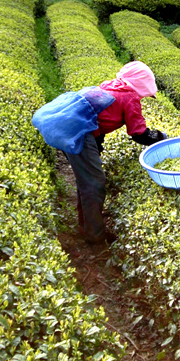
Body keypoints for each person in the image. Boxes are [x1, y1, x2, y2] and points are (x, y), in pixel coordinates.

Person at [66, 62, 165, 245]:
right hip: (79, 133)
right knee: (94, 183)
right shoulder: (129, 97)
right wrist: (160, 137)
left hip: (70, 128)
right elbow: (139, 134)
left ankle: (85, 222)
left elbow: (97, 116)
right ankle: (95, 236)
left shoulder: (109, 86)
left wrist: (97, 143)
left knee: (85, 178)